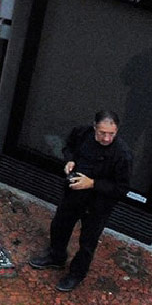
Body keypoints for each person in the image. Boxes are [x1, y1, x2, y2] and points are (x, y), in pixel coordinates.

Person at [28, 110, 132, 292]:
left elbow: (121, 189)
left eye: (111, 134)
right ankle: (56, 256)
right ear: (94, 127)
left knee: (88, 243)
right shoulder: (82, 133)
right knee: (59, 225)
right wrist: (69, 161)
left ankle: (77, 273)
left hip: (98, 206)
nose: (107, 138)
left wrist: (92, 183)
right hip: (74, 196)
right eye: (102, 133)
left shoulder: (122, 155)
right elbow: (68, 147)